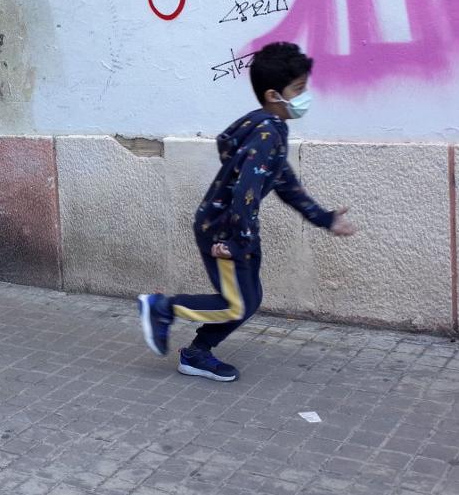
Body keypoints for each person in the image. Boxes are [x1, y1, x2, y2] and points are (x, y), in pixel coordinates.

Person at [137, 41, 356, 382]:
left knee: (248, 299)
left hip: (234, 228)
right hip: (225, 229)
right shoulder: (267, 133)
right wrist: (236, 242)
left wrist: (325, 218)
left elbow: (286, 186)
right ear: (273, 94)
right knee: (236, 303)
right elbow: (245, 192)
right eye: (298, 89)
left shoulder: (270, 129)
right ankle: (161, 308)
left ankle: (196, 354)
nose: (304, 96)